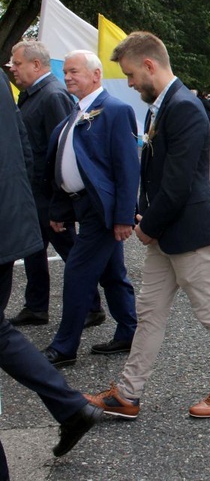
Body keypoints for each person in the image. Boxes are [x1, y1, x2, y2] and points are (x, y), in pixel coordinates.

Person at [86, 31, 210, 418]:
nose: (129, 83)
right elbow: (153, 173)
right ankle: (127, 394)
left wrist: (146, 227)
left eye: (130, 74)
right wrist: (145, 213)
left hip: (190, 233)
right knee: (150, 312)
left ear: (149, 65)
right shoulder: (163, 104)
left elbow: (179, 183)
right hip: (165, 231)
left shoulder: (185, 107)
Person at [0, 69, 102, 464]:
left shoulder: (48, 95)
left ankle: (70, 406)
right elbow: (26, 151)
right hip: (10, 222)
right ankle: (70, 407)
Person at [41, 50, 139, 367]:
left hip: (103, 211)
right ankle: (129, 332)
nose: (67, 76)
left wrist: (124, 216)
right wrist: (60, 211)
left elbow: (127, 169)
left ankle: (64, 347)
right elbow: (64, 164)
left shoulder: (114, 110)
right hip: (82, 208)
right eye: (65, 72)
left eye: (74, 71)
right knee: (112, 274)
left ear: (96, 75)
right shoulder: (77, 111)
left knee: (77, 274)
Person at [7, 40, 104, 329]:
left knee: (72, 253)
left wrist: (60, 203)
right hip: (33, 194)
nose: (11, 67)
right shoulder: (32, 94)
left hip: (49, 197)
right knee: (33, 252)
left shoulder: (51, 96)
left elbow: (65, 150)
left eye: (17, 62)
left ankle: (92, 306)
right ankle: (36, 307)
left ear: (36, 65)